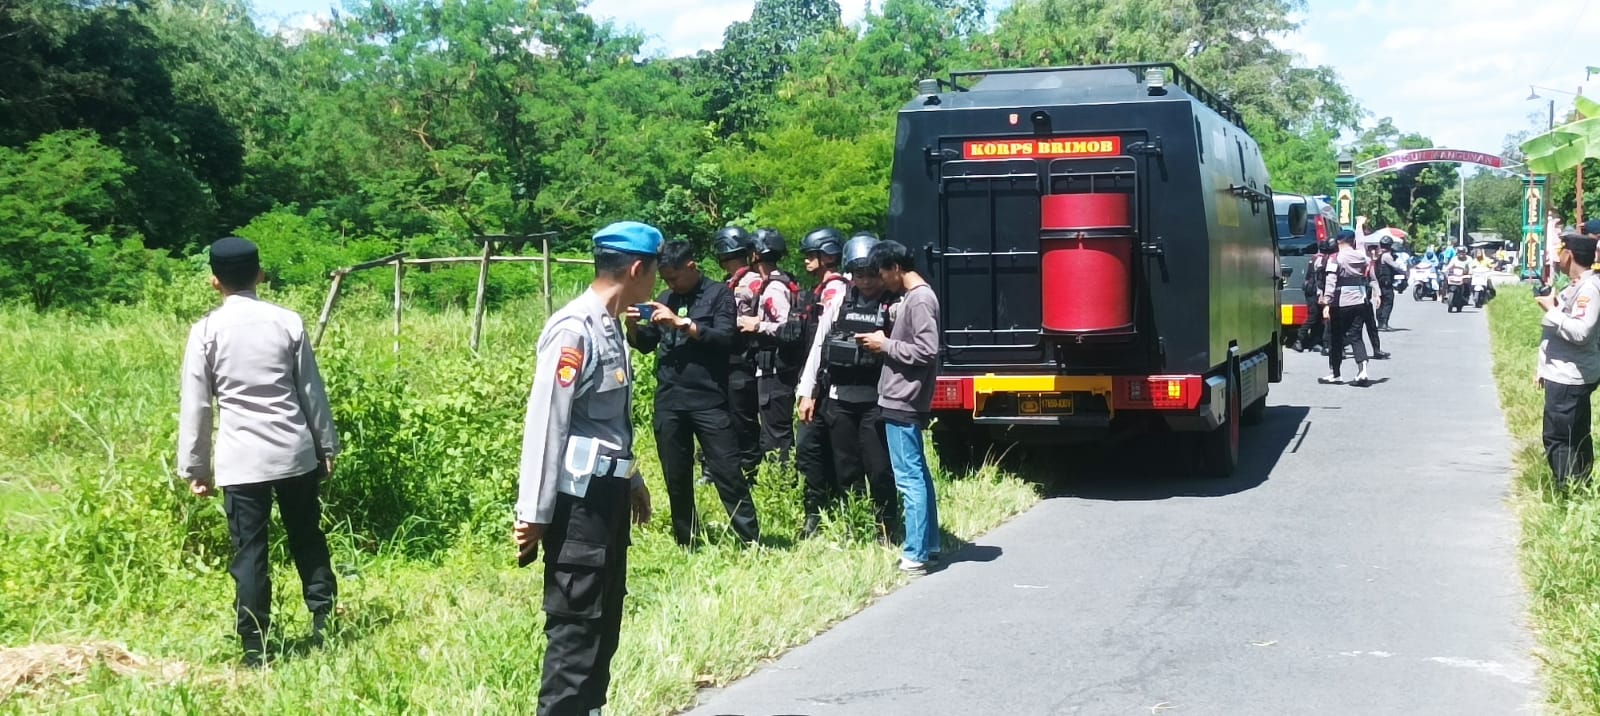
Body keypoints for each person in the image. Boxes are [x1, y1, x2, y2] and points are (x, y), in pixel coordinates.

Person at [515, 221, 658, 716]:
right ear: (638, 269)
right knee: (575, 633)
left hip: (607, 498)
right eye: (655, 270)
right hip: (576, 509)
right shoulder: (574, 329)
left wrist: (633, 478)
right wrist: (533, 512)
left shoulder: (612, 325)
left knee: (603, 628)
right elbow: (546, 422)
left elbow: (605, 422)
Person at [177, 236, 339, 668]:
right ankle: (324, 619)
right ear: (259, 275)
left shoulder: (206, 331)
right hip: (294, 451)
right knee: (307, 535)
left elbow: (197, 404)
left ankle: (255, 645)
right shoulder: (287, 322)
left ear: (215, 282)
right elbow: (310, 392)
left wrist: (195, 467)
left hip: (241, 460)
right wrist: (327, 445)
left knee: (250, 551)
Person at [628, 240, 760, 546]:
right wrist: (633, 325)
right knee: (676, 475)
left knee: (727, 472)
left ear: (691, 266)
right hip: (670, 400)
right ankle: (686, 539)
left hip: (708, 400)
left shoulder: (719, 295)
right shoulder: (665, 298)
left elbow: (725, 338)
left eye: (675, 277)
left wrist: (683, 324)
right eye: (666, 278)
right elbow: (646, 343)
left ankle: (750, 540)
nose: (670, 283)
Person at [798, 233, 902, 542]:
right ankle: (855, 526)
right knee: (847, 470)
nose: (867, 282)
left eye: (872, 274)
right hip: (839, 400)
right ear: (850, 275)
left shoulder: (893, 307)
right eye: (859, 275)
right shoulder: (839, 304)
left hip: (875, 402)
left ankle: (886, 528)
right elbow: (819, 347)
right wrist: (807, 392)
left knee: (880, 469)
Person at [856, 240, 941, 575]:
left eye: (882, 273)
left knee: (908, 479)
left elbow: (926, 349)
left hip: (903, 399)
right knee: (917, 475)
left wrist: (884, 343)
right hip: (901, 397)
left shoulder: (920, 299)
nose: (882, 281)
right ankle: (929, 545)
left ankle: (916, 552)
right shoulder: (915, 298)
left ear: (895, 267)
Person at [786, 227, 850, 537]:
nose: (807, 260)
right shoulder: (817, 290)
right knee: (810, 450)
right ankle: (815, 512)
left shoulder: (837, 290)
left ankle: (830, 511)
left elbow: (824, 341)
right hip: (812, 380)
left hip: (828, 384)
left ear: (827, 255)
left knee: (822, 449)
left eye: (812, 255)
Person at [1537, 233, 1600, 490]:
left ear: (1569, 254)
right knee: (1575, 435)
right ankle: (1581, 486)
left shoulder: (1588, 289)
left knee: (1560, 439)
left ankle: (1568, 491)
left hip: (1570, 376)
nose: (1557, 256)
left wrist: (1550, 310)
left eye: (1559, 250)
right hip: (1562, 372)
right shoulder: (1576, 284)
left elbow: (1581, 332)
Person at [740, 229, 799, 461]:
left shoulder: (773, 288)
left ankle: (783, 482)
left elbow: (785, 327)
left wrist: (758, 326)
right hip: (774, 367)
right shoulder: (780, 281)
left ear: (755, 254)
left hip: (776, 370)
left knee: (776, 431)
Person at [712, 227, 762, 485]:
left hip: (744, 356)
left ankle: (750, 468)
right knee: (723, 414)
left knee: (743, 416)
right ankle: (720, 465)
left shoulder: (753, 283)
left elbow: (762, 318)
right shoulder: (726, 284)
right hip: (724, 357)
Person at [1319, 228, 1380, 385]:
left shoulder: (1335, 258)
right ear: (1352, 241)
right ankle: (1363, 371)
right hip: (1360, 300)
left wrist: (1327, 302)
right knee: (1356, 336)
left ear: (1339, 242)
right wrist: (1377, 292)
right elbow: (1371, 275)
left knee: (1335, 338)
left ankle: (1335, 373)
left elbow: (1331, 281)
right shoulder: (1362, 257)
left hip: (1340, 303)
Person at [1297, 239, 1337, 354]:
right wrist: (1321, 295)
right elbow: (1319, 279)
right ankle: (1299, 340)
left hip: (1312, 290)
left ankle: (1315, 342)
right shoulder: (1321, 260)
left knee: (1319, 317)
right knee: (1314, 316)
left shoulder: (1317, 257)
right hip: (1314, 291)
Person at [1375, 236, 1404, 332]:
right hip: (1386, 284)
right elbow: (1396, 267)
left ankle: (1380, 323)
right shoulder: (1386, 256)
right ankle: (1384, 323)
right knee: (1388, 303)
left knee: (1380, 303)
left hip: (1379, 283)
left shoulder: (1378, 254)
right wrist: (1404, 271)